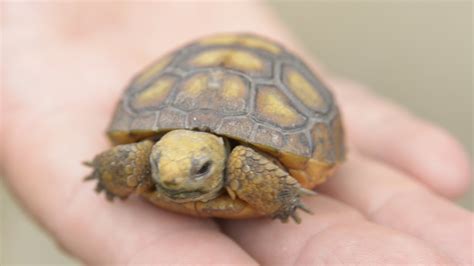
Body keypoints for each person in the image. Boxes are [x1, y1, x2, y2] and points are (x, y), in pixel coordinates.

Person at [2, 2, 472, 264]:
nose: (170, 181)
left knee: (250, 164)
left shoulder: (244, 163)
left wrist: (282, 195)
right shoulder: (152, 159)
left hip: (261, 135)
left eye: (196, 169)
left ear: (217, 161)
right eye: (162, 166)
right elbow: (128, 161)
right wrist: (113, 173)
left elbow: (249, 164)